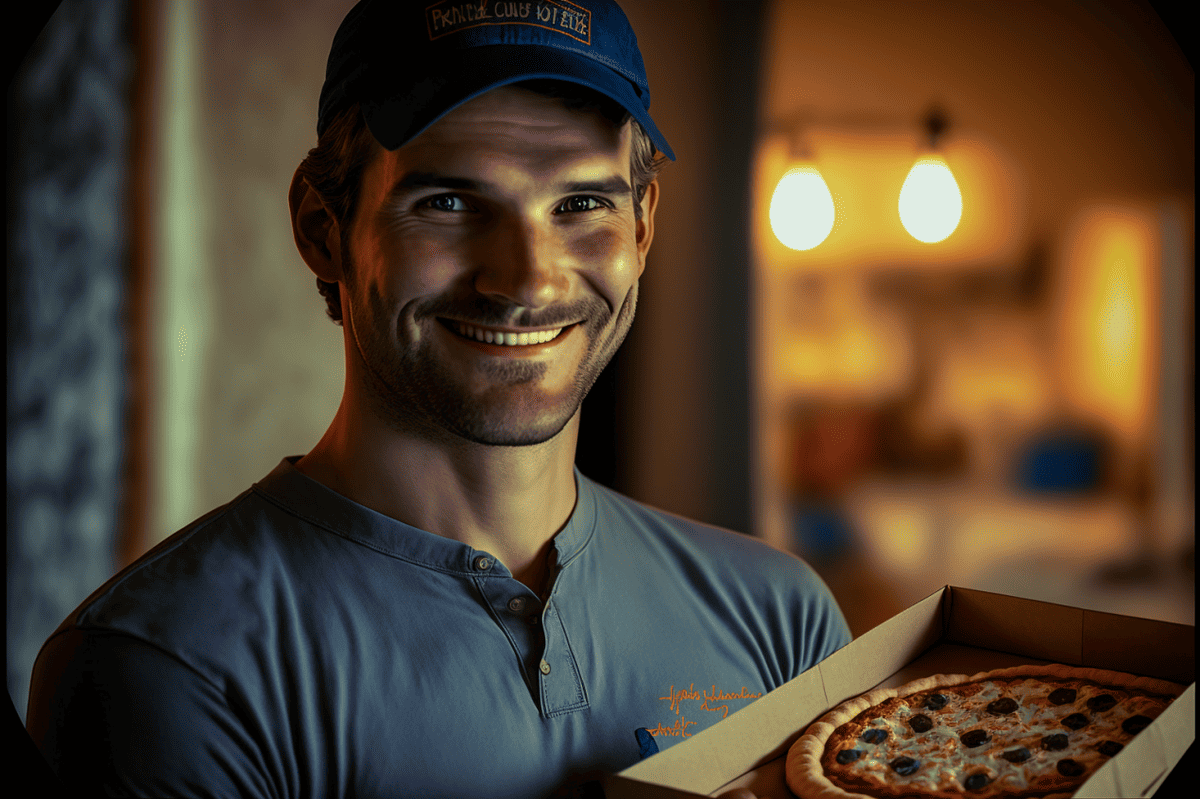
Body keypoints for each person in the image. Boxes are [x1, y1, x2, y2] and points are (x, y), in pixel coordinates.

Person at [25, 2, 851, 797]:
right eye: (449, 203)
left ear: (641, 229)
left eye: (581, 204)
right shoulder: (168, 669)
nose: (528, 278)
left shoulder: (783, 624)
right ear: (323, 229)